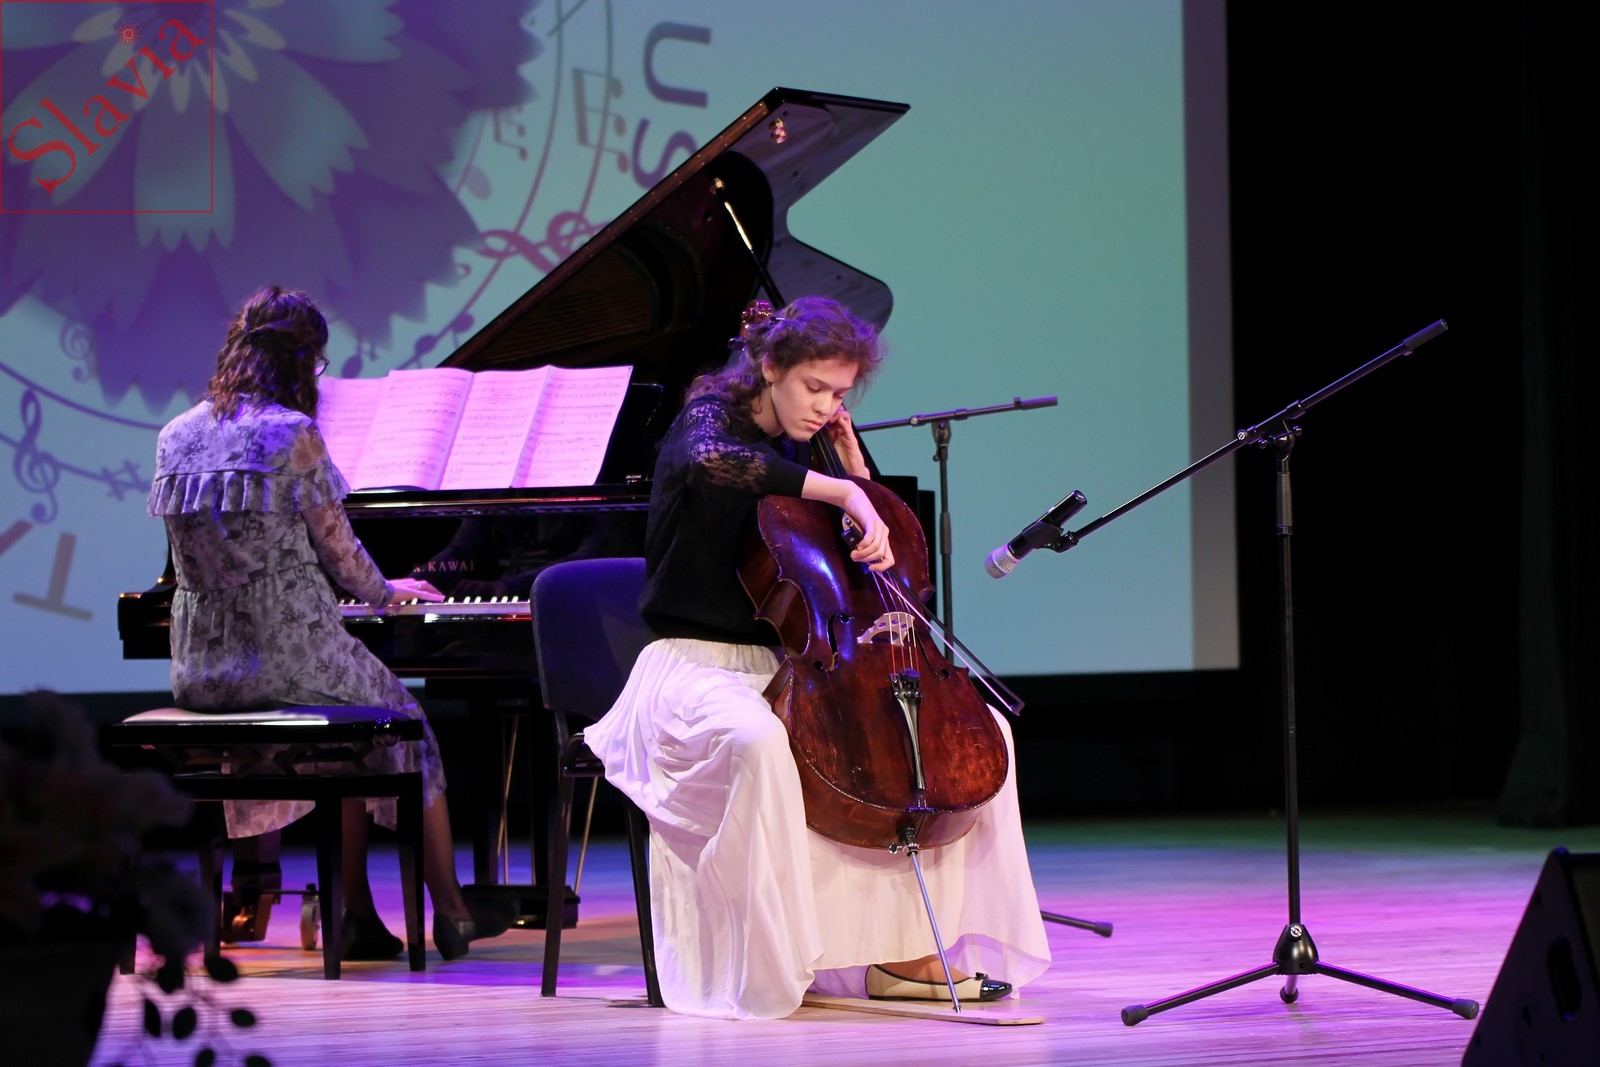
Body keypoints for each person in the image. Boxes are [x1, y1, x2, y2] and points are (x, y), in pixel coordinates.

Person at [580, 297, 1051, 1019]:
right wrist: (841, 491)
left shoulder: (817, 443)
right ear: (770, 367)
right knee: (762, 742)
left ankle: (908, 951)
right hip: (696, 670)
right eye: (814, 387)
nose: (826, 406)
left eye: (840, 392)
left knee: (983, 738)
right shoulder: (708, 420)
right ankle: (775, 958)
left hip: (797, 667)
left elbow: (872, 549)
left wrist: (857, 473)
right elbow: (718, 463)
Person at [147, 285, 514, 961]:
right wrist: (388, 593)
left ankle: (357, 916)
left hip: (201, 665)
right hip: (287, 650)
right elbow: (342, 555)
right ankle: (453, 910)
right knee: (409, 724)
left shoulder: (175, 434)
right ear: (300, 360)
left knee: (346, 740)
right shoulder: (292, 434)